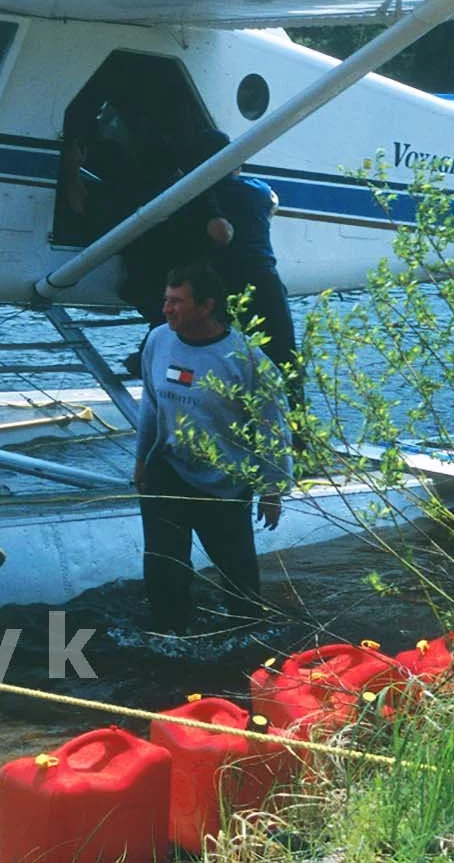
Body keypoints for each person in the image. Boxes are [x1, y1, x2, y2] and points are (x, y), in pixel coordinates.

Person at [134, 263, 292, 635]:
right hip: (167, 470)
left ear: (205, 307)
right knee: (163, 567)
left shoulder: (246, 360)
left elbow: (274, 428)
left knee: (239, 579)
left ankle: (247, 641)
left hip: (225, 482)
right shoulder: (158, 340)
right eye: (166, 300)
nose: (167, 309)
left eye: (177, 302)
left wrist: (273, 488)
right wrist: (141, 459)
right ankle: (169, 637)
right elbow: (151, 405)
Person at [189, 128, 303, 412]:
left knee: (228, 359)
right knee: (284, 358)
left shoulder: (196, 198)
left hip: (224, 285)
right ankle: (297, 432)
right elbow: (272, 202)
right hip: (265, 282)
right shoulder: (258, 190)